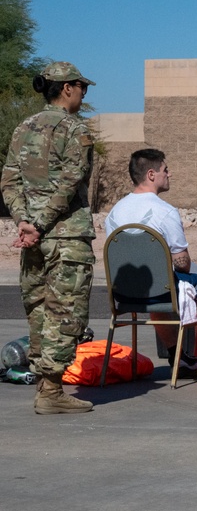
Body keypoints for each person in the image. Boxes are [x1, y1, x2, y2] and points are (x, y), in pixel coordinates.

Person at [1, 61, 97, 414]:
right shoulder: (75, 130)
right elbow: (71, 182)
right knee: (66, 313)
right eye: (82, 87)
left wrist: (24, 221)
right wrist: (38, 223)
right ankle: (51, 390)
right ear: (67, 88)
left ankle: (46, 388)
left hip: (34, 240)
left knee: (40, 311)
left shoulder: (22, 128)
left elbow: (9, 182)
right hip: (65, 237)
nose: (84, 94)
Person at [105, 149, 197, 373]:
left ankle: (177, 356)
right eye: (166, 170)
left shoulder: (114, 212)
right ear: (151, 174)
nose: (169, 175)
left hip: (123, 292)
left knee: (160, 283)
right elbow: (183, 264)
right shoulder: (165, 211)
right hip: (160, 290)